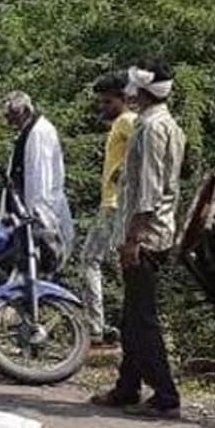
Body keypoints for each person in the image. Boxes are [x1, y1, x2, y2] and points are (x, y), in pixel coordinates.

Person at [89, 60, 184, 419]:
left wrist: (133, 239)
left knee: (142, 319)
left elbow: (148, 189)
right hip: (152, 231)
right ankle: (127, 386)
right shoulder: (165, 124)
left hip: (146, 235)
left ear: (142, 90)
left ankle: (165, 395)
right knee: (131, 317)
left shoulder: (150, 128)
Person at [79, 72, 137, 345]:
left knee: (89, 259)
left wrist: (122, 172)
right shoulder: (120, 123)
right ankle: (113, 324)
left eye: (107, 102)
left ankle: (95, 328)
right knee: (112, 265)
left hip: (114, 205)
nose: (103, 107)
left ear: (123, 98)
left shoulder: (127, 120)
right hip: (114, 204)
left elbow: (144, 148)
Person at [1, 92, 74, 255]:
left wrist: (38, 217)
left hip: (41, 216)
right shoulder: (27, 132)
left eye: (13, 115)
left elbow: (41, 178)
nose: (9, 121)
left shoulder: (40, 132)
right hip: (25, 215)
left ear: (26, 111)